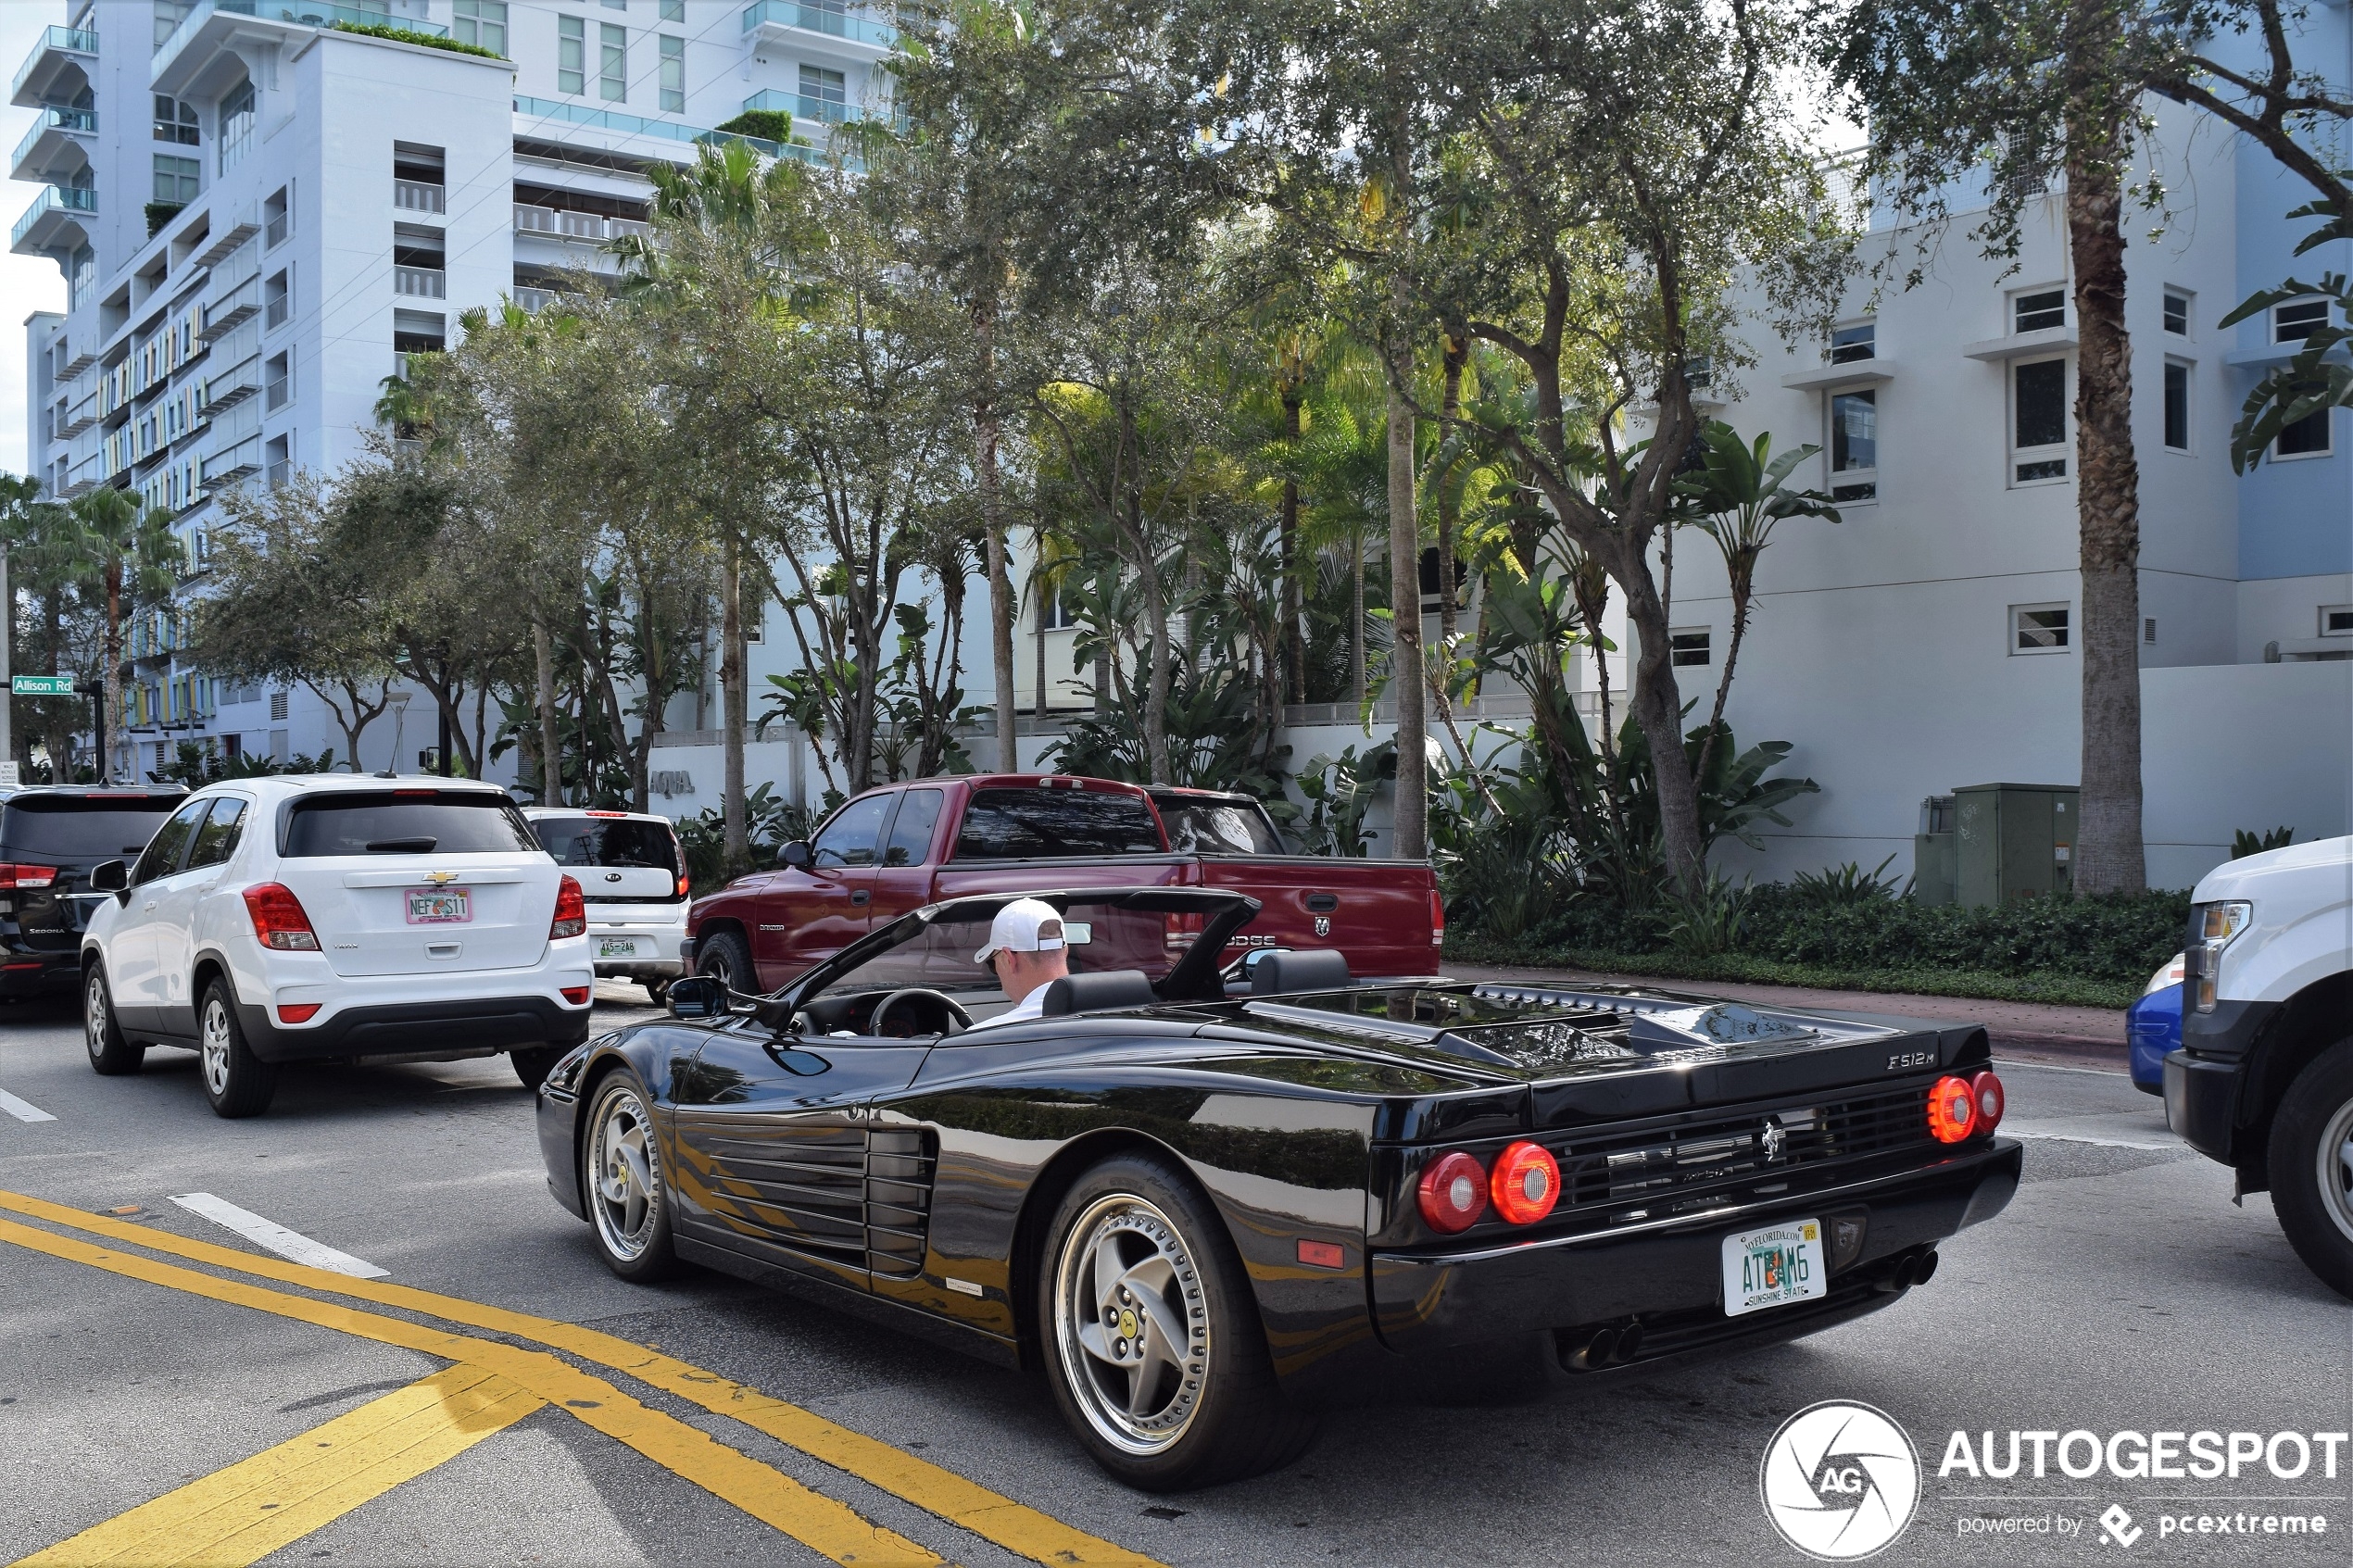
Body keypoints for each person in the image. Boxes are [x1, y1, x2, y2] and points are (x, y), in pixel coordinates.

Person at [963, 897, 1071, 1032]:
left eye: (992, 964)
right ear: (1065, 951)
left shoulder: (981, 1038)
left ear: (1009, 960)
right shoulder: (1102, 1014)